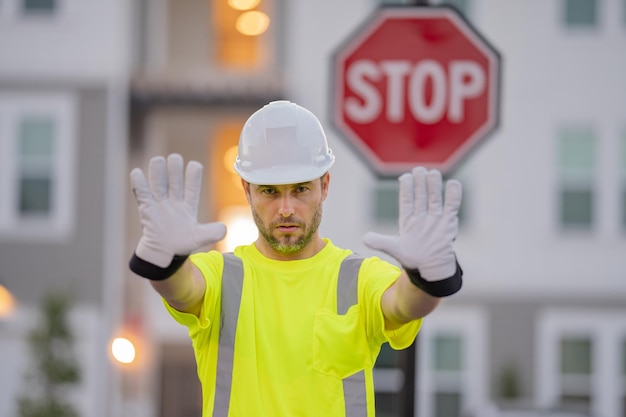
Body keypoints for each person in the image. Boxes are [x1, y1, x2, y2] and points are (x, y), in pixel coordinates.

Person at [128, 100, 463, 417]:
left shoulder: (356, 277)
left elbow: (404, 303)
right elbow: (182, 289)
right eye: (270, 191)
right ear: (247, 191)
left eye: (301, 189)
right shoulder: (221, 274)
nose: (286, 209)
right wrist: (166, 263)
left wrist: (425, 279)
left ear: (325, 185)